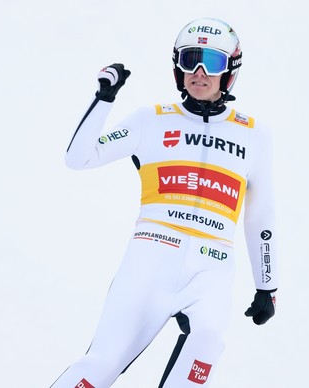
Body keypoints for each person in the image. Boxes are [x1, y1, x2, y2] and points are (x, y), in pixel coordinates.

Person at [51, 17, 278, 388]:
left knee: (206, 343)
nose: (199, 72)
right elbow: (79, 157)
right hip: (150, 261)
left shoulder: (255, 135)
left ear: (230, 71)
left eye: (212, 62)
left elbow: (260, 216)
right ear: (178, 67)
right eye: (190, 59)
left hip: (212, 269)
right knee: (103, 363)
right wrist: (104, 98)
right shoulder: (150, 120)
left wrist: (268, 286)